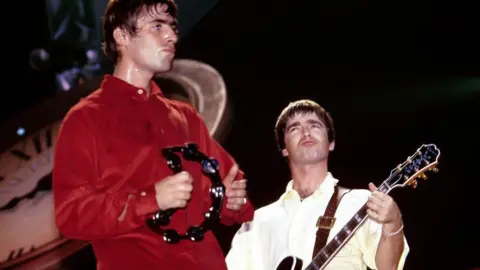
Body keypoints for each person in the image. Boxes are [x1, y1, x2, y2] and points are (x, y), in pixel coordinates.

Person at [52, 1, 253, 269]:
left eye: (172, 27)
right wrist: (149, 200)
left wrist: (229, 201)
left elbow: (231, 187)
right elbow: (70, 216)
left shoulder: (185, 117)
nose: (171, 35)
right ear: (121, 36)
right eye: (157, 26)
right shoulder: (84, 120)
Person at [226, 99, 409, 270]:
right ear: (283, 149)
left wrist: (394, 223)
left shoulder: (362, 202)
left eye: (315, 126)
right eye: (294, 129)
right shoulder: (256, 222)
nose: (306, 132)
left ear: (331, 143)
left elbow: (388, 267)